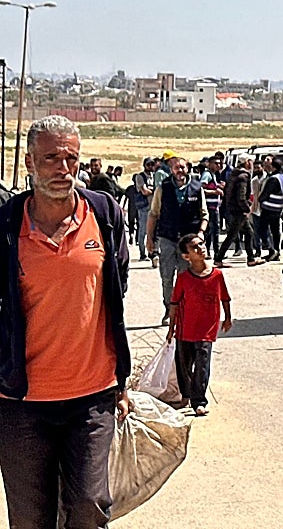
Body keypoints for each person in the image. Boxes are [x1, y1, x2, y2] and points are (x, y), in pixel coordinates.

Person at [0, 115, 132, 528]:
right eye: (50, 158)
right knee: (30, 518)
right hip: (21, 403)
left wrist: (120, 381)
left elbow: (116, 288)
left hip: (91, 396)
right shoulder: (5, 226)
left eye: (70, 158)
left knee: (90, 506)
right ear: (28, 162)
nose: (62, 169)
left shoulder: (104, 215)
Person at [166, 233, 232, 416]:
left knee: (202, 366)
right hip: (185, 329)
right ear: (186, 257)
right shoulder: (184, 279)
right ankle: (186, 395)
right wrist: (171, 328)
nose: (201, 248)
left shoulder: (217, 276)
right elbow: (175, 304)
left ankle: (199, 401)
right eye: (195, 247)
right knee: (184, 366)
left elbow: (225, 298)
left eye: (201, 244)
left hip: (206, 330)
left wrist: (227, 317)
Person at [146, 156, 208, 325]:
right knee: (167, 277)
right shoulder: (163, 188)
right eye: (175, 168)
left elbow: (204, 215)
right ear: (171, 169)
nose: (179, 171)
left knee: (186, 276)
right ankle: (169, 309)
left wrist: (201, 233)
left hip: (188, 242)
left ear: (188, 168)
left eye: (182, 167)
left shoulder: (197, 188)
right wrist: (149, 238)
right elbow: (153, 214)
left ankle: (184, 309)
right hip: (167, 238)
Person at [216, 154, 256, 267]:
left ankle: (251, 258)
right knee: (232, 235)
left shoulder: (234, 174)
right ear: (247, 162)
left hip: (233, 208)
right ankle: (218, 258)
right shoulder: (243, 177)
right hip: (239, 211)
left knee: (249, 233)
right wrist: (246, 208)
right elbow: (241, 196)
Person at [257, 155, 283, 262]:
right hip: (278, 208)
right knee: (275, 231)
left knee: (262, 230)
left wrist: (260, 199)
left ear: (273, 167)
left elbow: (265, 194)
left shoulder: (273, 179)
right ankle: (276, 252)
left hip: (269, 208)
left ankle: (271, 249)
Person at [132, 157, 156, 261]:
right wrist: (154, 190)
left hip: (153, 207)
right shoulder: (140, 177)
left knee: (154, 232)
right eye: (148, 164)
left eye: (152, 164)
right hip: (144, 207)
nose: (150, 166)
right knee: (142, 231)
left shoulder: (154, 176)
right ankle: (142, 253)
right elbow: (144, 191)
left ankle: (152, 252)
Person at [199, 156, 223, 257]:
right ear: (209, 164)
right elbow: (200, 189)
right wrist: (214, 191)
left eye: (219, 163)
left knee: (211, 230)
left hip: (214, 206)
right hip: (209, 207)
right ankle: (215, 252)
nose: (218, 165)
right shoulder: (207, 175)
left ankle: (209, 251)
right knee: (213, 230)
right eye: (215, 163)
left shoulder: (214, 175)